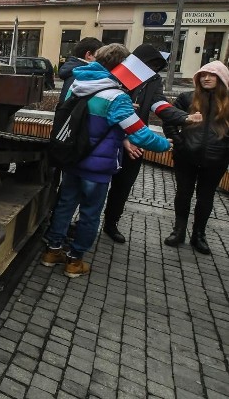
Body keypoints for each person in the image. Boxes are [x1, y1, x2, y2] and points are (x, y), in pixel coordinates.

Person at [41, 44, 172, 278]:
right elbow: (140, 134)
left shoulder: (78, 86)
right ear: (121, 66)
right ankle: (74, 261)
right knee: (90, 214)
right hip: (97, 169)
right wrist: (165, 144)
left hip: (73, 159)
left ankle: (52, 252)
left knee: (65, 205)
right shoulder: (116, 97)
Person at [102, 44, 199, 243]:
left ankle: (111, 224)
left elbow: (159, 105)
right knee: (97, 185)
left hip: (136, 143)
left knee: (123, 187)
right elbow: (105, 111)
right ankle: (86, 221)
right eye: (150, 65)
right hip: (110, 141)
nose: (153, 70)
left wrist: (185, 117)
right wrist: (125, 138)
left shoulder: (153, 80)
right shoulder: (118, 76)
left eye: (156, 67)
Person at [163, 60, 229, 255]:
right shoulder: (187, 98)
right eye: (203, 74)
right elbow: (169, 120)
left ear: (222, 78)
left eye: (212, 75)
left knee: (205, 197)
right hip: (186, 156)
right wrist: (179, 142)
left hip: (217, 159)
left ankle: (199, 235)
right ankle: (179, 230)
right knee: (183, 193)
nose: (206, 78)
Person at [57, 37, 103, 105]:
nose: (100, 59)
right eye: (98, 55)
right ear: (89, 55)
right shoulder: (81, 73)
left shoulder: (75, 70)